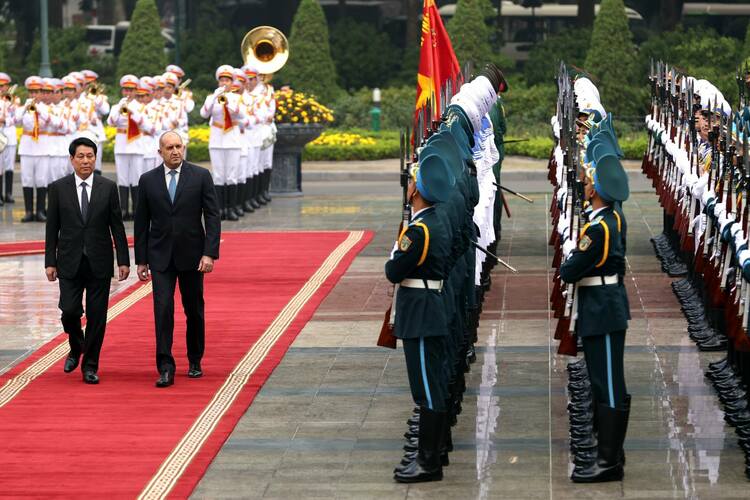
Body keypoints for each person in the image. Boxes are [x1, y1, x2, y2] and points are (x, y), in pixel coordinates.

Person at [559, 154, 631, 483]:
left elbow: (570, 270)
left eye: (590, 183)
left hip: (602, 309)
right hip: (606, 305)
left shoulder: (600, 228)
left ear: (596, 190)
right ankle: (610, 451)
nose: (585, 186)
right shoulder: (611, 219)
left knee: (608, 384)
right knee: (606, 380)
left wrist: (574, 251)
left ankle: (609, 461)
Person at [385, 154, 455, 483]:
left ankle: (428, 463)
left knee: (426, 388)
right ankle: (433, 454)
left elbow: (394, 271)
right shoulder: (434, 222)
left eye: (412, 181)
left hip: (422, 312)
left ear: (416, 191)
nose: (408, 185)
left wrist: (396, 250)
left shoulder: (419, 231)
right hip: (429, 305)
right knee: (432, 385)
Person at [134, 131, 221, 388]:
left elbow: (212, 216)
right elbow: (141, 223)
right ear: (159, 152)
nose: (175, 151)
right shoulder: (148, 180)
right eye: (169, 147)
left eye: (179, 146)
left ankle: (195, 359)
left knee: (193, 309)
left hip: (193, 255)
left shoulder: (200, 176)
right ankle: (165, 366)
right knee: (162, 310)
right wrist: (141, 260)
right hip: (160, 256)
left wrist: (209, 253)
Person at [44, 137, 130, 384]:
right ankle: (76, 343)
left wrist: (123, 260)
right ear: (71, 159)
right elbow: (52, 228)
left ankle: (90, 366)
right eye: (80, 156)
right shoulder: (59, 188)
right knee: (69, 311)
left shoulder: (108, 187)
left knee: (97, 316)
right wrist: (50, 261)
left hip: (99, 262)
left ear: (95, 158)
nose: (85, 161)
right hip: (69, 261)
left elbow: (117, 226)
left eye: (90, 156)